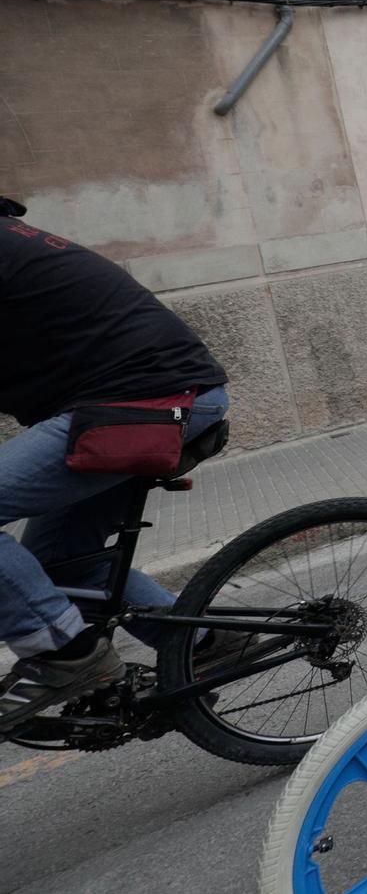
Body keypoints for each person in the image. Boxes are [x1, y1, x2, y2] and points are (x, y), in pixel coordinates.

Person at [0, 203, 230, 729]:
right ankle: (206, 640)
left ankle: (65, 654)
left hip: (148, 402)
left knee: (44, 588)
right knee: (64, 562)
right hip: (129, 401)